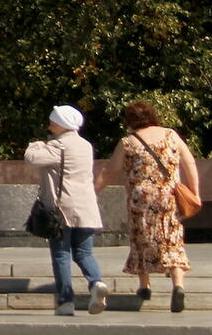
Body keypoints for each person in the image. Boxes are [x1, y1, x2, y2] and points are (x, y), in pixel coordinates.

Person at [95, 101, 200, 312]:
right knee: (171, 238)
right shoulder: (171, 135)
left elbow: (110, 171)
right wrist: (195, 192)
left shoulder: (128, 142)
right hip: (168, 196)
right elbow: (189, 163)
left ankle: (144, 286)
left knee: (141, 237)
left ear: (130, 120)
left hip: (140, 199)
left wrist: (93, 190)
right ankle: (178, 284)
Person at [24, 105, 106, 317]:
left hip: (62, 211)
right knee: (84, 253)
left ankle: (65, 302)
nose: (49, 126)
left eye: (52, 122)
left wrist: (36, 144)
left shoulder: (57, 147)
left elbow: (31, 158)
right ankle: (96, 283)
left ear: (61, 124)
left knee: (61, 255)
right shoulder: (86, 146)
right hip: (87, 209)